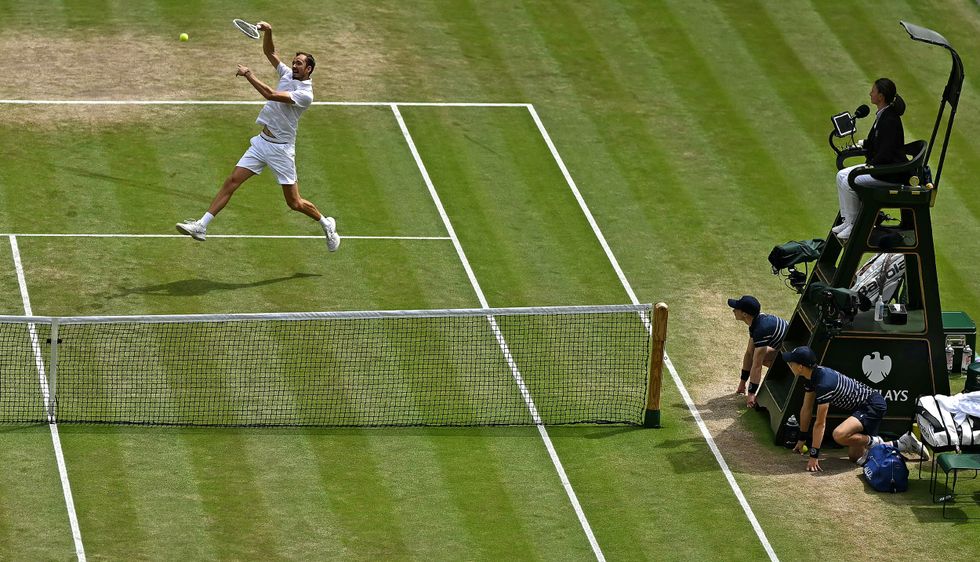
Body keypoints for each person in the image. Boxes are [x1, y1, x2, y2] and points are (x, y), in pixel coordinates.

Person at [176, 21, 340, 252]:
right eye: (294, 62)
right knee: (232, 181)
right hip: (261, 143)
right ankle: (202, 226)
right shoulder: (286, 73)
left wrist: (249, 75)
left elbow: (270, 94)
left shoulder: (305, 94)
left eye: (299, 64)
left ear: (309, 69)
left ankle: (326, 223)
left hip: (281, 150)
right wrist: (270, 31)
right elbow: (270, 52)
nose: (293, 65)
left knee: (294, 203)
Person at [782, 346, 925, 472]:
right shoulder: (811, 377)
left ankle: (877, 442)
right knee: (855, 457)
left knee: (839, 434)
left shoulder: (824, 385)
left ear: (801, 367)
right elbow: (806, 409)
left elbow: (820, 423)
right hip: (860, 409)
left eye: (791, 362)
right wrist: (802, 439)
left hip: (872, 405)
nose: (789, 365)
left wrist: (814, 455)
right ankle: (903, 443)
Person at [832, 78, 906, 241]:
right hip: (880, 167)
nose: (870, 93)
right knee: (841, 176)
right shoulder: (883, 115)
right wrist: (863, 145)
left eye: (873, 91)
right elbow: (877, 143)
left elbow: (886, 153)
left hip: (888, 174)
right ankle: (848, 220)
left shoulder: (890, 120)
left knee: (849, 181)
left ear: (881, 96)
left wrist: (869, 167)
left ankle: (854, 225)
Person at [728, 295, 788, 408]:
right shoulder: (756, 323)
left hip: (794, 355)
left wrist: (751, 394)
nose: (733, 310)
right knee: (754, 354)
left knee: (759, 359)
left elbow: (757, 365)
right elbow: (749, 353)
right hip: (784, 350)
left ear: (745, 314)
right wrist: (742, 382)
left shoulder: (761, 330)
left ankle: (786, 376)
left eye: (736, 308)